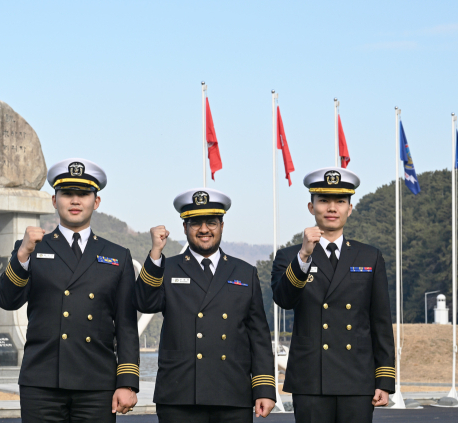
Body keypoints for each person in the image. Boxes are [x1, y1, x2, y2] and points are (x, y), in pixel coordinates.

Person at [0, 158, 139, 422]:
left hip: (96, 382)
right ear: (54, 200)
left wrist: (127, 383)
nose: (75, 201)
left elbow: (126, 325)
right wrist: (23, 253)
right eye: (67, 194)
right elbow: (6, 300)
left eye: (83, 194)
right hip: (42, 381)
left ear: (96, 202)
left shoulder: (117, 256)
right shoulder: (32, 247)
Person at [135, 188, 277, 423]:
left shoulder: (244, 272)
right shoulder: (166, 267)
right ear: (184, 228)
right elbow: (144, 302)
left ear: (222, 225)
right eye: (195, 223)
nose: (204, 230)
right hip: (180, 395)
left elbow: (258, 335)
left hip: (232, 393)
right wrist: (155, 254)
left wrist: (263, 388)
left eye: (211, 222)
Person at [271, 167, 395, 423]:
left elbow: (380, 321)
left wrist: (384, 379)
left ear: (350, 209)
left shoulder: (370, 256)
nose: (332, 208)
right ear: (311, 207)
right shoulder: (290, 256)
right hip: (311, 378)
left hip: (357, 378)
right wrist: (304, 256)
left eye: (340, 201)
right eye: (324, 200)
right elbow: (284, 299)